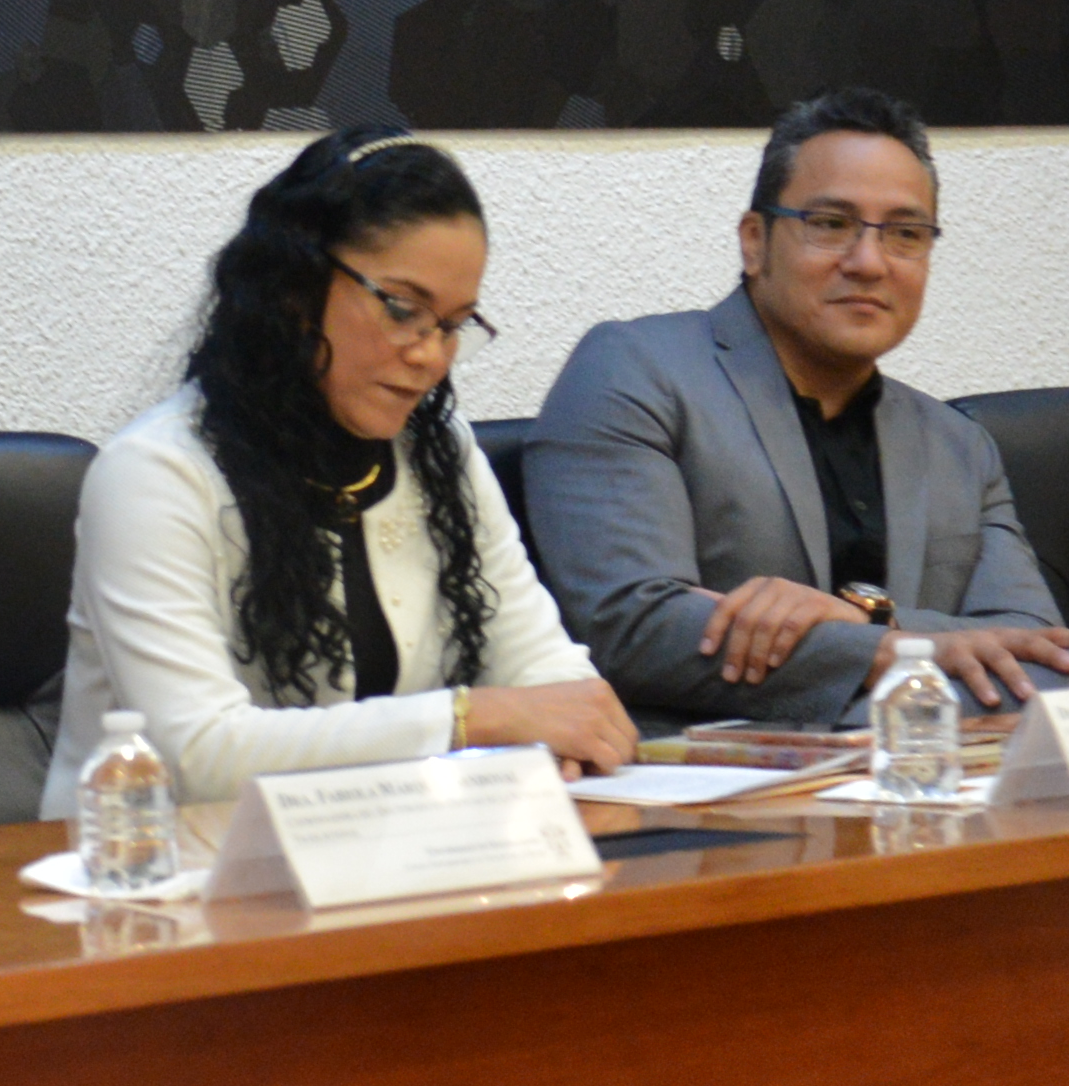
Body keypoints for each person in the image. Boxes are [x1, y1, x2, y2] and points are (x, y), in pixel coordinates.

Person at [48, 128, 641, 812]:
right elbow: (201, 757)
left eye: (453, 324)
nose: (430, 356)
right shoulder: (155, 474)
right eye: (402, 309)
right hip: (152, 878)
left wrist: (570, 731)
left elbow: (544, 665)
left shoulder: (439, 449)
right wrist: (469, 719)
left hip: (387, 858)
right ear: (297, 287)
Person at [524, 87, 1069, 725]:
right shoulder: (635, 369)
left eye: (905, 234)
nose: (868, 262)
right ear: (754, 242)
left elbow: (1030, 639)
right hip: (723, 766)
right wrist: (893, 650)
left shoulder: (958, 444)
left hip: (929, 769)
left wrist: (867, 621)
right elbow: (630, 625)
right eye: (831, 225)